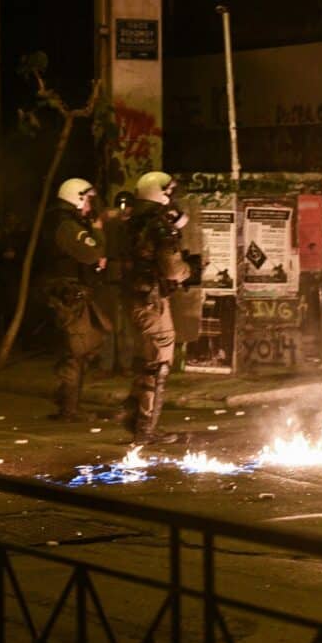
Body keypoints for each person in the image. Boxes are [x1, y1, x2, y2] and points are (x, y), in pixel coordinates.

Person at [120, 171, 200, 445]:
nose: (171, 197)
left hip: (135, 298)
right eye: (169, 191)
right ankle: (146, 429)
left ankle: (132, 414)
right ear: (159, 192)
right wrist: (190, 269)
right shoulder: (158, 226)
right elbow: (172, 270)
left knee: (146, 359)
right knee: (158, 365)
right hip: (152, 302)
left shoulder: (132, 222)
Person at [40, 178, 110, 421]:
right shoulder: (68, 226)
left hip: (70, 295)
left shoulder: (65, 223)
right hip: (70, 297)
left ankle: (65, 400)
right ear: (76, 198)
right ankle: (69, 408)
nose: (90, 205)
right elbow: (92, 253)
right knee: (77, 351)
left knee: (87, 345)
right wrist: (98, 231)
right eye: (88, 200)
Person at [96, 190, 135, 374]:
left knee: (126, 326)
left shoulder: (133, 226)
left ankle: (124, 364)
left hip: (127, 281)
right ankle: (107, 365)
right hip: (110, 279)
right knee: (109, 324)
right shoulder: (109, 224)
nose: (124, 210)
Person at [0, 211, 27, 341]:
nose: (11, 222)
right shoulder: (3, 239)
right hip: (1, 280)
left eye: (13, 220)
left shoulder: (21, 240)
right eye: (9, 220)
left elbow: (27, 258)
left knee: (11, 309)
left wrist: (16, 257)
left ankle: (12, 339)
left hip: (14, 280)